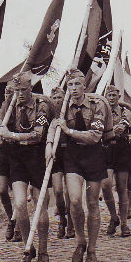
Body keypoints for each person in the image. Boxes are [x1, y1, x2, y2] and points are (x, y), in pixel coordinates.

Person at [0, 71, 51, 262]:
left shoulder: (42, 106)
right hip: (17, 158)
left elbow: (37, 135)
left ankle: (43, 251)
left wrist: (10, 135)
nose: (20, 94)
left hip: (36, 156)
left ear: (30, 88)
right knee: (21, 204)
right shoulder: (10, 105)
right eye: (17, 90)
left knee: (39, 205)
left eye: (23, 89)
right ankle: (27, 247)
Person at [46, 69, 107, 262]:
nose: (73, 89)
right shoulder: (63, 107)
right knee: (73, 199)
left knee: (92, 203)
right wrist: (49, 145)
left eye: (77, 85)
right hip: (73, 157)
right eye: (70, 85)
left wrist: (69, 131)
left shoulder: (97, 105)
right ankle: (80, 241)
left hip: (94, 155)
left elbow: (95, 136)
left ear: (84, 85)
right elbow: (54, 126)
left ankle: (92, 250)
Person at [0, 82, 22, 242]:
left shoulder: (22, 109)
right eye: (6, 93)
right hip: (4, 153)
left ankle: (19, 225)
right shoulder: (0, 111)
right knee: (2, 190)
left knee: (17, 192)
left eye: (11, 93)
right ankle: (11, 219)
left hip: (19, 152)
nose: (9, 96)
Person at [101, 85, 131, 237]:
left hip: (121, 149)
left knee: (122, 187)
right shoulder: (101, 111)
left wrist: (108, 130)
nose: (112, 98)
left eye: (114, 95)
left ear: (118, 96)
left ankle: (124, 224)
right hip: (106, 149)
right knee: (106, 185)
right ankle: (114, 217)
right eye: (109, 95)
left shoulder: (125, 111)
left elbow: (123, 126)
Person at [48, 87, 74, 239]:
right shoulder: (49, 114)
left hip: (69, 152)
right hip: (56, 154)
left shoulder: (69, 112)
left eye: (60, 97)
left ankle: (70, 222)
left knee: (69, 191)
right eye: (54, 98)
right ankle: (62, 220)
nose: (57, 100)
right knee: (58, 190)